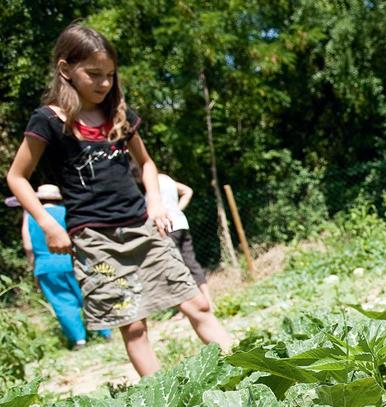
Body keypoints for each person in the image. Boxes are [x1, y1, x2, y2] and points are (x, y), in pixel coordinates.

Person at [5, 22, 232, 378]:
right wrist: (48, 223)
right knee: (134, 325)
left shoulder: (119, 116)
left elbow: (147, 164)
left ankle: (245, 372)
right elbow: (16, 178)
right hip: (96, 241)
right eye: (94, 74)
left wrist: (155, 202)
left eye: (110, 75)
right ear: (65, 70)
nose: (104, 83)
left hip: (142, 227)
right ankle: (164, 404)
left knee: (198, 303)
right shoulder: (48, 121)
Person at [7, 184, 111, 347]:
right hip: (73, 261)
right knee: (88, 296)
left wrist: (34, 270)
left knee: (62, 303)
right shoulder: (67, 212)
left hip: (46, 267)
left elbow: (28, 247)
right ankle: (105, 332)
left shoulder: (32, 218)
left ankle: (79, 340)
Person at [155, 172, 213, 309]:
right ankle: (208, 301)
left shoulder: (151, 182)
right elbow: (188, 191)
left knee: (177, 267)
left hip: (168, 226)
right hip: (181, 222)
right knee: (191, 262)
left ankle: (189, 307)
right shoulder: (166, 179)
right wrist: (176, 209)